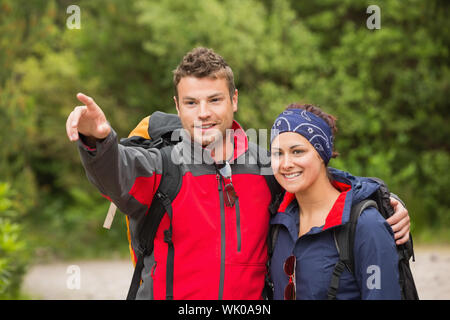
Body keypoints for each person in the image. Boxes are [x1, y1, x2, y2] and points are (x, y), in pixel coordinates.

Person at [65, 47, 410, 300]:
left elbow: (320, 180)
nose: (203, 113)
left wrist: (381, 200)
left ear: (234, 100)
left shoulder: (268, 168)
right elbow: (118, 173)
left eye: (214, 100)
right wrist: (99, 140)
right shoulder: (161, 167)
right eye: (191, 103)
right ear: (176, 105)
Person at [269, 103, 402, 299]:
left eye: (297, 151)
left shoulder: (367, 226)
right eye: (277, 153)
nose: (286, 164)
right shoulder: (276, 222)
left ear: (322, 154)